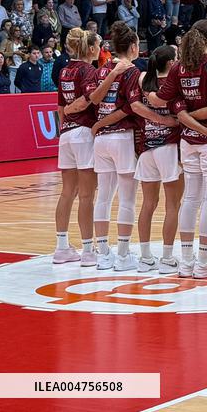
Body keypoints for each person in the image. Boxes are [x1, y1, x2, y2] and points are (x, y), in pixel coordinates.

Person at [150, 19, 207, 279]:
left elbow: (163, 98)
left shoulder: (180, 67)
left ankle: (186, 262)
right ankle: (204, 262)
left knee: (191, 199)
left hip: (187, 139)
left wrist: (150, 95)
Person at [90, 22, 142, 271]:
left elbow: (94, 100)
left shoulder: (102, 69)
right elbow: (129, 108)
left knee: (104, 196)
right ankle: (122, 255)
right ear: (133, 47)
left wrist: (99, 124)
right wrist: (103, 123)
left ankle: (102, 254)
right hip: (121, 136)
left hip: (101, 141)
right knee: (128, 198)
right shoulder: (131, 71)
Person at [130, 46, 184, 273]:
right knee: (173, 205)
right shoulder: (173, 85)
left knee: (148, 204)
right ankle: (168, 258)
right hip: (168, 147)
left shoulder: (145, 82)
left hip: (146, 147)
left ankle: (144, 257)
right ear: (171, 63)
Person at [53, 28, 104, 265]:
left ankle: (61, 247)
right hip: (83, 132)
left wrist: (65, 127)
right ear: (90, 48)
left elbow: (60, 107)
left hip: (66, 134)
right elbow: (89, 98)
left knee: (67, 192)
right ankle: (88, 251)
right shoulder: (88, 70)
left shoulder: (64, 70)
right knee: (86, 195)